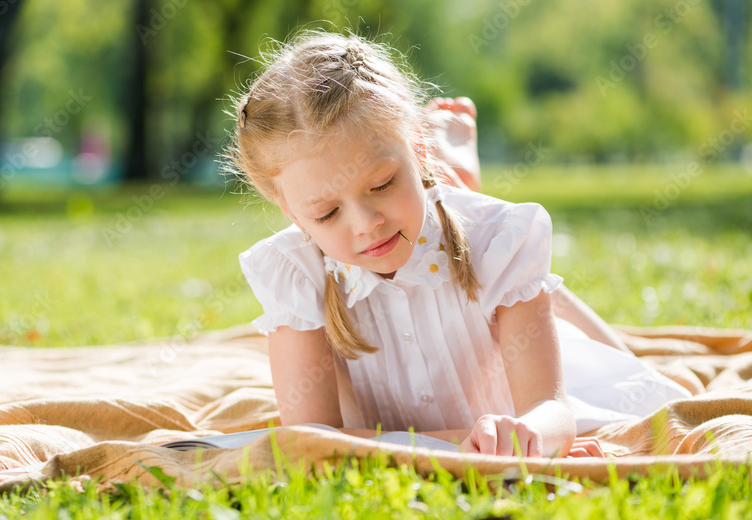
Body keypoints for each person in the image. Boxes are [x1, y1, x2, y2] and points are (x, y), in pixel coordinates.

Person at [224, 30, 691, 458]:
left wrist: (531, 431)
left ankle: (455, 182)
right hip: (449, 234)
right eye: (327, 213)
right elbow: (310, 441)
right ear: (290, 214)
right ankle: (455, 180)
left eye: (383, 183)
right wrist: (458, 443)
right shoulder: (294, 274)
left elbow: (552, 409)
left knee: (629, 370)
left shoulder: (500, 240)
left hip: (477, 251)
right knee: (464, 233)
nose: (366, 224)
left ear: (415, 151)